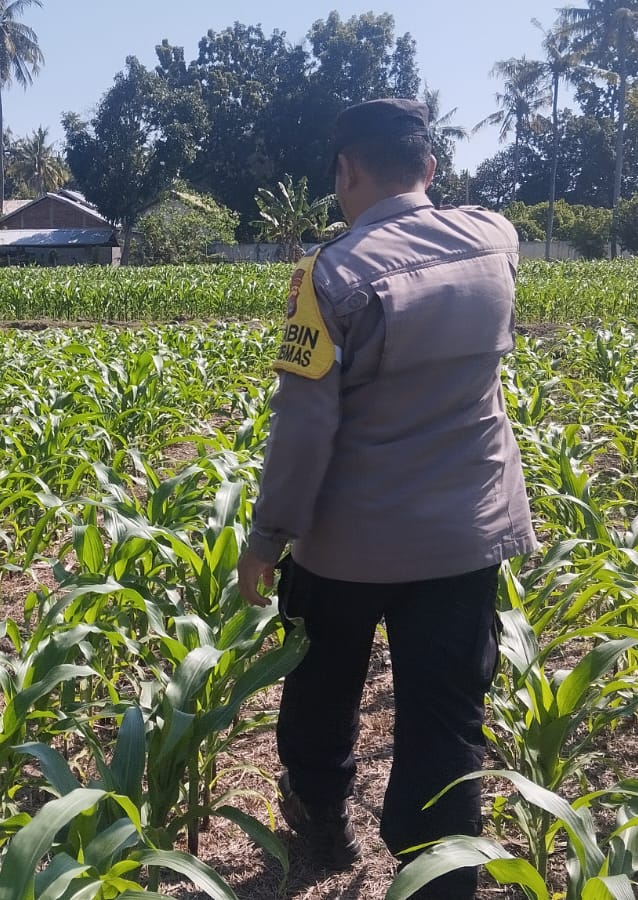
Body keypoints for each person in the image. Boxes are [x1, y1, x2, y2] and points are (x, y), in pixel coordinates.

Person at [237, 98, 536, 896]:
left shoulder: (330, 276)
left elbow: (304, 428)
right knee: (446, 716)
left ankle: (323, 828)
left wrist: (266, 539)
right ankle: (440, 876)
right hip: (464, 536)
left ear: (346, 171)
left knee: (321, 688)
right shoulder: (497, 241)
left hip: (349, 543)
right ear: (430, 168)